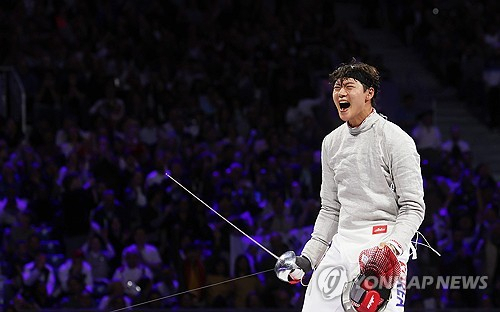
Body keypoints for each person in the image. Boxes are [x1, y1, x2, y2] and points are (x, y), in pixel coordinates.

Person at [275, 60, 425, 311]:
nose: (340, 93)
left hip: (383, 246)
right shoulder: (331, 143)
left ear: (369, 93)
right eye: (337, 87)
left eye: (349, 86)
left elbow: (413, 207)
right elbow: (331, 209)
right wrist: (308, 258)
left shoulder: (396, 140)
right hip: (343, 243)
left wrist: (392, 247)